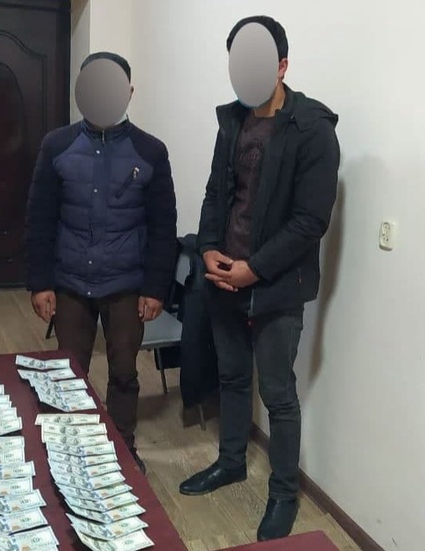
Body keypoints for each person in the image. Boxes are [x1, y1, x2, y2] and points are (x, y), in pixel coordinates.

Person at [179, 16, 341, 542]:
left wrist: (255, 269)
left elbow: (310, 222)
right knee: (230, 378)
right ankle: (230, 463)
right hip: (224, 276)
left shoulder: (312, 128)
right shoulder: (232, 121)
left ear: (282, 65)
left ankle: (284, 494)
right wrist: (208, 249)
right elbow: (214, 194)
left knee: (277, 393)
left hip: (276, 286)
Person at [26, 52, 178, 473]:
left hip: (126, 285)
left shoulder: (150, 151)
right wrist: (40, 281)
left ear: (129, 92)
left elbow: (163, 226)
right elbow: (39, 217)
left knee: (125, 372)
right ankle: (69, 450)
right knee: (68, 372)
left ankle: (122, 449)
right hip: (70, 282)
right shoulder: (56, 145)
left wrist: (155, 288)